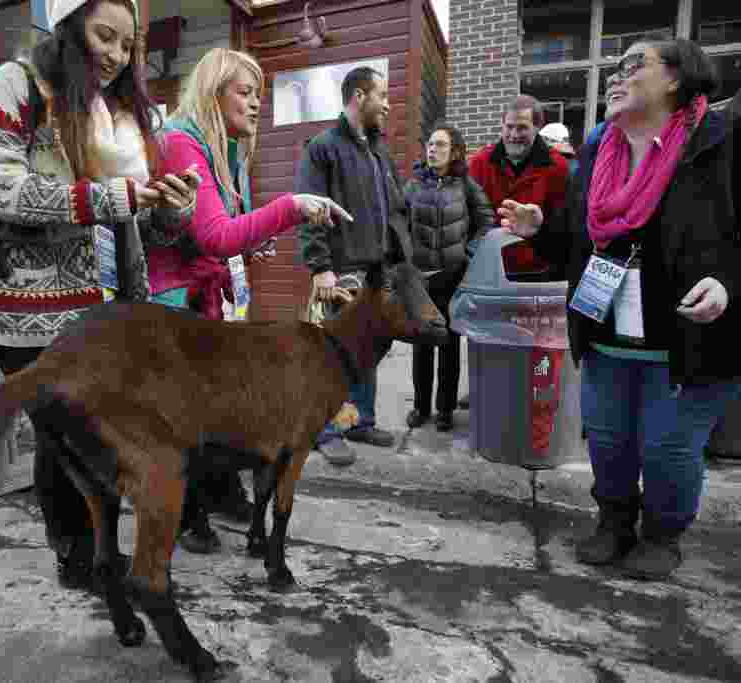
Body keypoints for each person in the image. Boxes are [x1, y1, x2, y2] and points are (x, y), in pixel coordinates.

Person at [497, 38, 741, 580]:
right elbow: (586, 239)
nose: (616, 74)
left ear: (676, 78)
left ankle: (662, 535)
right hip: (606, 336)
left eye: (634, 64)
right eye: (614, 64)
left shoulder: (737, 140)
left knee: (668, 448)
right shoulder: (599, 147)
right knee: (607, 439)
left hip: (689, 342)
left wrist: (733, 282)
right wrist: (543, 230)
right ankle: (613, 522)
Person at [0, 0, 198, 591]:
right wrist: (106, 198)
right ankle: (78, 555)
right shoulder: (18, 82)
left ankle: (98, 552)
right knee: (67, 433)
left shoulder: (113, 108)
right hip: (29, 313)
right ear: (69, 27)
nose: (117, 56)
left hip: (110, 307)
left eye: (127, 44)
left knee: (95, 435)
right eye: (105, 36)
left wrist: (171, 210)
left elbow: (134, 221)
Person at [149, 47, 352, 553]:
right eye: (245, 92)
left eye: (259, 95)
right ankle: (183, 517)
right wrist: (291, 207)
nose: (257, 104)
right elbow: (216, 236)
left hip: (210, 302)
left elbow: (223, 233)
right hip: (177, 306)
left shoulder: (225, 148)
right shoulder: (180, 143)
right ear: (212, 93)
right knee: (187, 419)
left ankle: (216, 495)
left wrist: (256, 234)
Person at [297, 65, 412, 466]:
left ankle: (362, 420)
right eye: (382, 95)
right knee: (332, 356)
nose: (387, 104)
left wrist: (399, 257)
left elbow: (394, 207)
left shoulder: (379, 149)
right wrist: (320, 267)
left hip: (377, 271)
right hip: (341, 271)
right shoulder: (323, 148)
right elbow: (310, 209)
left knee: (369, 347)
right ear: (359, 96)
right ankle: (323, 430)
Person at [458, 95, 570, 410]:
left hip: (537, 269)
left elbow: (564, 221)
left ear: (537, 127)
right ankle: (484, 386)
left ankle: (530, 395)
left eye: (522, 128)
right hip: (491, 269)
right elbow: (467, 212)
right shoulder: (480, 163)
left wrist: (540, 229)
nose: (513, 135)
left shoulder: (557, 167)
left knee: (533, 341)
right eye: (508, 127)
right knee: (488, 336)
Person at [404, 123, 494, 432]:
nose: (433, 149)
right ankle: (420, 407)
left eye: (440, 145)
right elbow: (398, 221)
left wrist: (468, 254)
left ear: (454, 151)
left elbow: (486, 221)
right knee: (422, 346)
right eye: (430, 144)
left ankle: (445, 410)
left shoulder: (465, 184)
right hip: (421, 281)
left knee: (449, 347)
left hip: (453, 279)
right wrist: (404, 259)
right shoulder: (414, 184)